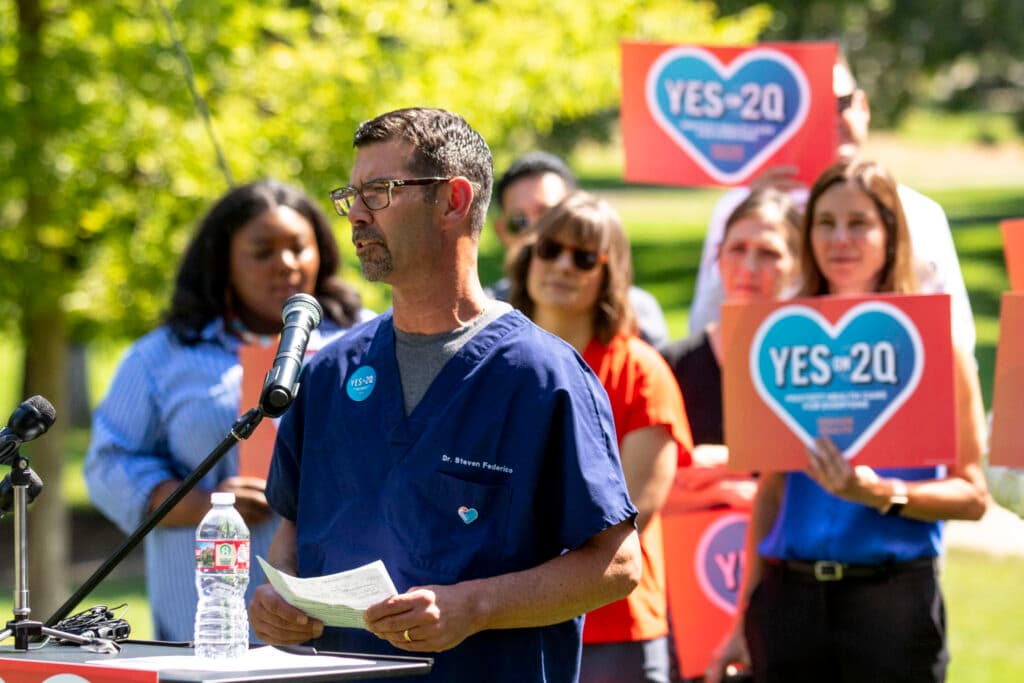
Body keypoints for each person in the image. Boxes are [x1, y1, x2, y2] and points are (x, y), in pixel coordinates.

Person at [249, 108, 642, 683]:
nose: (356, 215)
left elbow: (618, 566)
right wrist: (276, 602)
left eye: (380, 192)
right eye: (352, 195)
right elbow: (292, 535)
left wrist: (474, 608)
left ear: (454, 201)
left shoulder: (541, 376)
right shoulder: (332, 372)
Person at [705, 158, 989, 683]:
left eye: (859, 222)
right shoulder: (780, 336)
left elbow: (973, 496)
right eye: (825, 222)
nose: (840, 238)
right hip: (788, 605)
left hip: (893, 604)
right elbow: (771, 492)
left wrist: (882, 493)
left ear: (890, 233)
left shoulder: (934, 345)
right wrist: (742, 617)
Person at [84, 178, 370, 642]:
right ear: (223, 262)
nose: (286, 264)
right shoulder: (162, 357)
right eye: (262, 252)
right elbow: (108, 463)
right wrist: (203, 505)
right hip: (208, 624)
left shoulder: (366, 342)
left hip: (340, 619)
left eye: (300, 248)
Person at [506, 191, 693, 683]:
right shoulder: (493, 364)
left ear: (610, 274)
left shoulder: (641, 373)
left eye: (584, 257)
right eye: (550, 250)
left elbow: (634, 512)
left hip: (615, 628)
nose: (563, 266)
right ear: (529, 258)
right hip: (505, 620)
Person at [689, 53, 975, 358]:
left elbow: (958, 337)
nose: (831, 120)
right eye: (813, 111)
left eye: (841, 104)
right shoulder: (740, 207)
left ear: (862, 106)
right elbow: (705, 329)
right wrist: (756, 212)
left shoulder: (921, 213)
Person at [662, 189, 801, 510]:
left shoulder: (811, 365)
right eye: (738, 249)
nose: (750, 266)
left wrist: (733, 459)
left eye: (769, 253)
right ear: (718, 256)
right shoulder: (673, 365)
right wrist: (717, 492)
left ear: (797, 265)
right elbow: (636, 492)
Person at [491, 151, 670, 347]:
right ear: (501, 232)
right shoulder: (486, 314)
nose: (535, 232)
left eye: (550, 216)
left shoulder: (638, 315)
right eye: (519, 221)